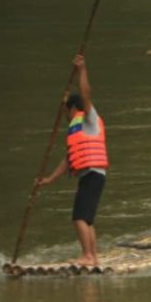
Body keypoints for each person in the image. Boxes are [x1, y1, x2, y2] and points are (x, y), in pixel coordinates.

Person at [37, 54, 108, 266]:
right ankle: (93, 256)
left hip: (94, 173)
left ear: (73, 108)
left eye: (65, 110)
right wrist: (50, 179)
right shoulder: (76, 126)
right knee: (86, 218)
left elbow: (86, 94)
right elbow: (69, 159)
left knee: (79, 217)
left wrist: (82, 70)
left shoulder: (89, 118)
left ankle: (87, 256)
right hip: (91, 174)